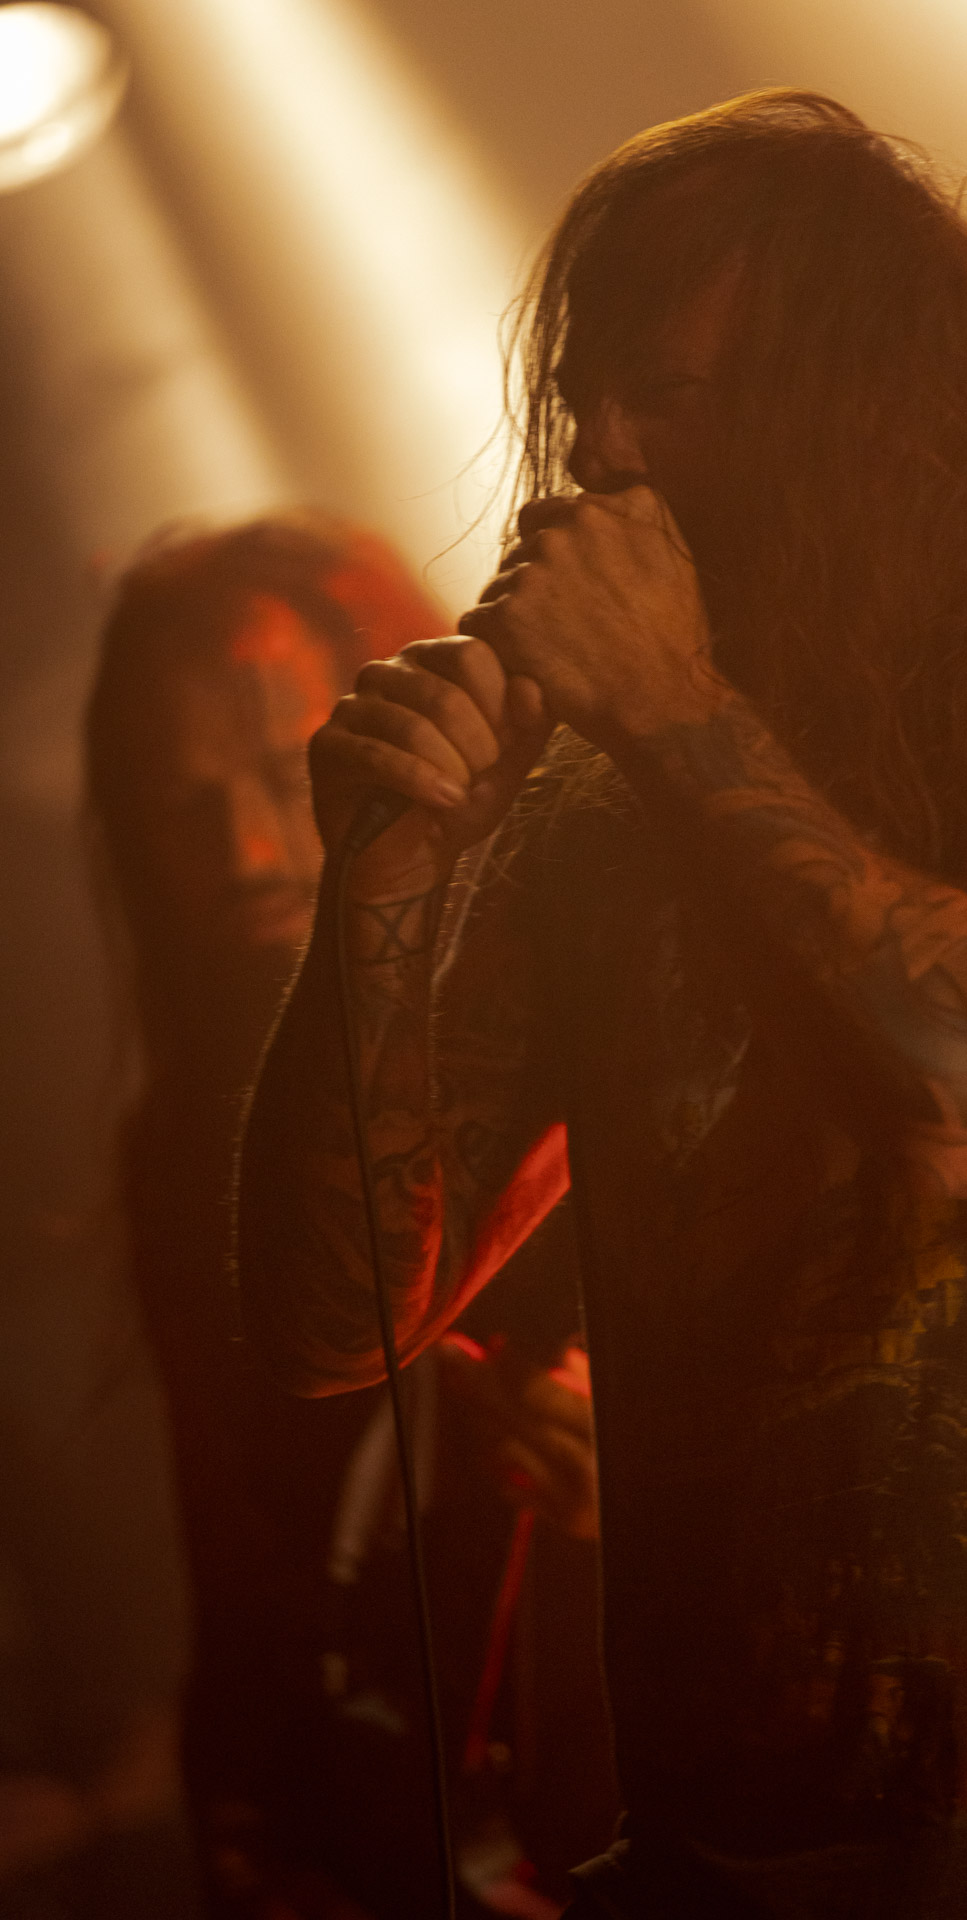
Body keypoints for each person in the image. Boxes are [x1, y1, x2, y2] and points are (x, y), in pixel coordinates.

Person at [236, 91, 967, 1918]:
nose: (601, 453)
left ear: (879, 414)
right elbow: (334, 1323)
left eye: (671, 392)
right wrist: (385, 881)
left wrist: (669, 703)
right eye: (586, 400)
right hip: (734, 1864)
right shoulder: (600, 821)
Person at [87, 514, 611, 1916]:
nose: (251, 849)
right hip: (356, 1821)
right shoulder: (177, 1132)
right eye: (182, 805)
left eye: (286, 774)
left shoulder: (574, 1019)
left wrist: (637, 1474)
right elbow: (236, 1540)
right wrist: (246, 1801)